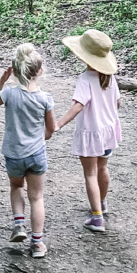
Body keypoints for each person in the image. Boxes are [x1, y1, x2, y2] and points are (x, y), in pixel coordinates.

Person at [0, 43, 55, 258]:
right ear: (40, 71)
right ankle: (37, 244)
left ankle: (18, 225)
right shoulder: (45, 99)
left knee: (16, 187)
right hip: (36, 154)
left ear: (15, 71)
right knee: (37, 197)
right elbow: (50, 130)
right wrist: (38, 138)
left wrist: (2, 80)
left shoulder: (8, 94)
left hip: (14, 154)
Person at [52, 29, 121, 233]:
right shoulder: (110, 78)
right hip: (108, 131)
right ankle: (102, 202)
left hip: (91, 133)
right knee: (103, 168)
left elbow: (78, 106)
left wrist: (58, 124)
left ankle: (97, 218)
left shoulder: (85, 79)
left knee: (90, 174)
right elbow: (117, 102)